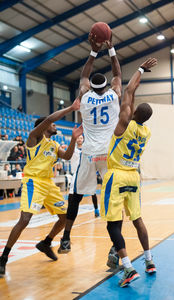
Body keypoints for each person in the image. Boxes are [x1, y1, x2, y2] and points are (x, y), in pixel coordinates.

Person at [0, 99, 83, 276]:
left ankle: (46, 242)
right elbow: (46, 120)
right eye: (52, 124)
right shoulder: (34, 138)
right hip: (33, 182)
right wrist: (71, 108)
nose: (54, 126)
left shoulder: (53, 145)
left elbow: (67, 157)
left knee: (64, 218)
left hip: (48, 184)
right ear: (45, 127)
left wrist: (74, 139)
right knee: (24, 220)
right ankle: (3, 258)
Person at [58, 34, 122, 253]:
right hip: (109, 153)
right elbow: (118, 74)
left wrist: (94, 51)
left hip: (89, 153)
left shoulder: (84, 96)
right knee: (113, 197)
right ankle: (116, 246)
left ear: (90, 86)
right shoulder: (114, 94)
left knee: (76, 194)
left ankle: (66, 238)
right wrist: (111, 49)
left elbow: (84, 75)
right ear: (106, 85)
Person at [100, 58, 157, 288]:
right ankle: (149, 261)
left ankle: (127, 267)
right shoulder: (146, 132)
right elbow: (131, 97)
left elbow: (129, 90)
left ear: (133, 113)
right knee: (137, 219)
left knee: (112, 225)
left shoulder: (124, 123)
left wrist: (141, 69)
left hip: (117, 176)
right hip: (134, 176)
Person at [69, 134, 100, 218]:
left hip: (87, 173)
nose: (79, 139)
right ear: (76, 140)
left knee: (93, 192)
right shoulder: (72, 149)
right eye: (78, 137)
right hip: (76, 173)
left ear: (83, 139)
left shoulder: (87, 150)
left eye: (81, 138)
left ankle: (96, 210)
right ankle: (70, 209)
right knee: (71, 193)